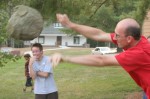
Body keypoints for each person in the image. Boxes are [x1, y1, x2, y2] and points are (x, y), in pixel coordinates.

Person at [51, 14, 150, 99]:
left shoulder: (137, 54)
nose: (114, 37)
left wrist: (66, 58)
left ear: (129, 38)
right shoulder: (138, 40)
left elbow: (101, 60)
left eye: (117, 35)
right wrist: (70, 24)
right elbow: (99, 34)